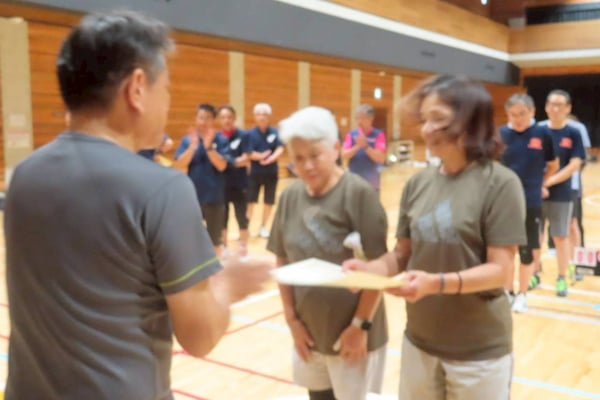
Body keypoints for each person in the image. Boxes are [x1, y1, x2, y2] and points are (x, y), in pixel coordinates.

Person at [4, 11, 271, 400]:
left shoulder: (23, 177)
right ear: (137, 88)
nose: (168, 102)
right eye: (167, 89)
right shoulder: (163, 189)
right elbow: (199, 336)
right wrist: (230, 282)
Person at [344, 75, 526, 400]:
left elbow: (500, 271)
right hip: (419, 342)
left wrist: (436, 283)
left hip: (478, 353)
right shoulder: (417, 184)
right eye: (424, 119)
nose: (426, 129)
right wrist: (371, 271)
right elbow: (402, 254)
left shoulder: (501, 183)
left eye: (438, 119)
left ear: (470, 120)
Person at [268, 106, 388, 400]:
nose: (307, 166)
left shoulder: (359, 194)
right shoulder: (290, 197)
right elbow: (282, 260)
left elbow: (379, 268)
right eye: (298, 158)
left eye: (314, 155)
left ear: (335, 149)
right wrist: (292, 321)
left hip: (353, 338)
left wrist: (360, 326)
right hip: (310, 337)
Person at [500, 93, 558, 312]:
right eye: (513, 114)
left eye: (522, 114)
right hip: (504, 202)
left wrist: (541, 183)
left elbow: (553, 164)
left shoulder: (543, 134)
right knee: (506, 248)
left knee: (527, 249)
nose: (518, 119)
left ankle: (522, 294)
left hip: (530, 200)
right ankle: (507, 291)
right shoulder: (501, 134)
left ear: (532, 111)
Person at [539, 90, 585, 296]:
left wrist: (549, 181)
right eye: (552, 104)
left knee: (563, 233)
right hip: (537, 191)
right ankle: (534, 273)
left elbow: (575, 164)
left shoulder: (574, 132)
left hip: (564, 191)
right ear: (546, 107)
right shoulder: (537, 130)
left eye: (560, 105)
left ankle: (563, 276)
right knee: (536, 235)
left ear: (568, 108)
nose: (555, 109)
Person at [174, 104, 229, 255]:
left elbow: (222, 166)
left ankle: (214, 269)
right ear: (196, 119)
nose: (203, 122)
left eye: (207, 118)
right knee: (191, 239)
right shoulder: (188, 140)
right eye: (201, 118)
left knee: (215, 242)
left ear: (214, 120)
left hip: (214, 198)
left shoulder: (221, 140)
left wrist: (208, 147)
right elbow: (179, 164)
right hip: (192, 198)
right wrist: (192, 147)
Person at [218, 105, 251, 256]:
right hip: (221, 184)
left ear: (234, 118)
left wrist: (228, 161)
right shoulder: (216, 138)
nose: (227, 120)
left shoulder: (243, 135)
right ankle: (224, 247)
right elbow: (218, 161)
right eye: (223, 117)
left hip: (240, 183)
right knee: (222, 218)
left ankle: (243, 248)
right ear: (219, 119)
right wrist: (235, 161)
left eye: (229, 117)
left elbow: (246, 158)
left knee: (242, 218)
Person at [247, 102, 284, 238]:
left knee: (269, 201)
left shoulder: (275, 132)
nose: (262, 117)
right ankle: (246, 227)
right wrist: (260, 156)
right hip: (254, 173)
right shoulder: (249, 134)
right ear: (255, 117)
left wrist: (271, 158)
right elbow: (247, 152)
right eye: (259, 114)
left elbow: (280, 147)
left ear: (269, 116)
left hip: (271, 172)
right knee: (250, 201)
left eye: (264, 114)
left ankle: (263, 227)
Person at [341, 104, 386, 192]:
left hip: (372, 182)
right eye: (357, 118)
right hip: (354, 181)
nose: (359, 122)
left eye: (362, 118)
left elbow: (380, 158)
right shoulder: (351, 134)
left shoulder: (378, 134)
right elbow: (344, 155)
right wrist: (357, 146)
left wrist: (365, 146)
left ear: (371, 119)